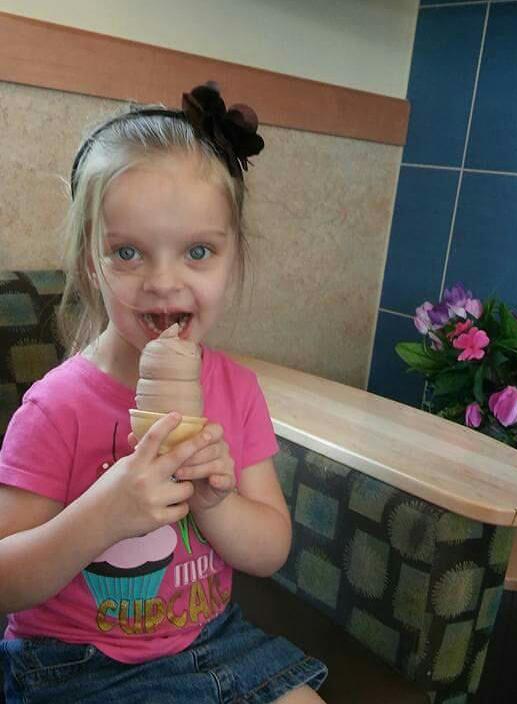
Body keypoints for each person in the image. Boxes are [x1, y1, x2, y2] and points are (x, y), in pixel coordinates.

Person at [0, 83, 328, 703]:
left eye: (198, 251)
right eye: (128, 253)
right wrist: (102, 516)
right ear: (91, 262)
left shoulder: (238, 391)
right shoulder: (55, 409)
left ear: (233, 258)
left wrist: (216, 504)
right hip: (79, 664)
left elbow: (270, 550)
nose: (164, 281)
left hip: (215, 639)